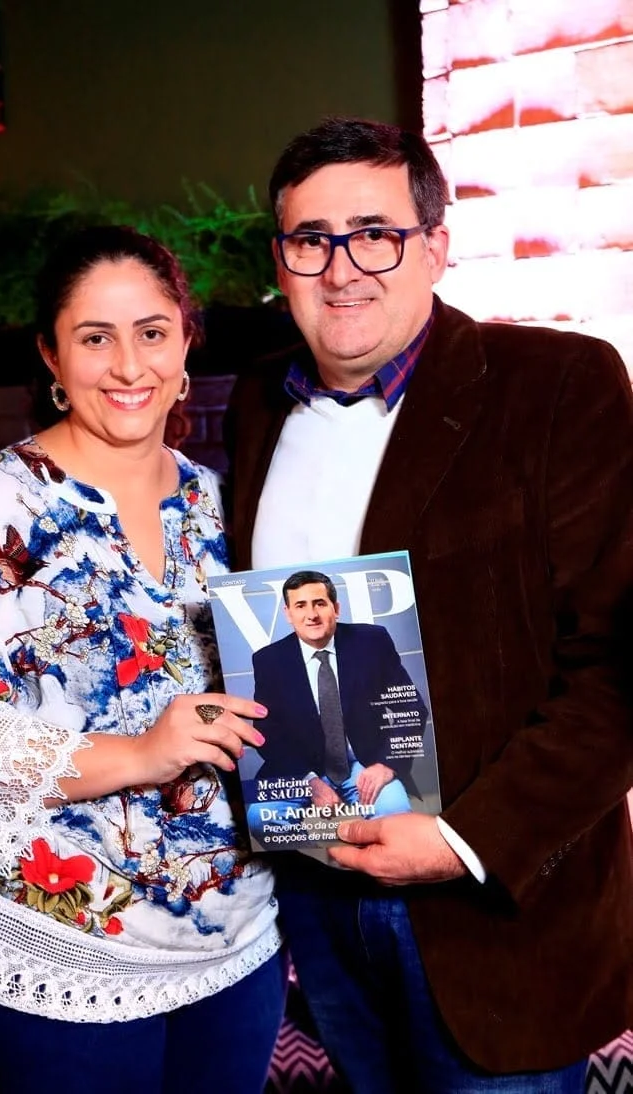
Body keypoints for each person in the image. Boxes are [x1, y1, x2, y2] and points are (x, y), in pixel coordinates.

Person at [224, 116, 633, 1093]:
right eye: (310, 239)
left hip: (495, 916)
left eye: (375, 233)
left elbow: (620, 665)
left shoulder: (558, 385)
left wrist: (462, 840)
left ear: (435, 245)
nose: (342, 268)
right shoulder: (256, 401)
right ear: (281, 261)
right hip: (318, 899)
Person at [0, 225, 284, 1094]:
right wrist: (141, 753)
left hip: (236, 940)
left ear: (186, 343)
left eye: (152, 332)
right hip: (56, 949)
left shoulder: (223, 504)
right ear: (52, 355)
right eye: (95, 338)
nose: (128, 366)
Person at [252, 569, 425, 810]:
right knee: (259, 817)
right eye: (300, 606)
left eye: (320, 603)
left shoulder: (371, 641)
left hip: (364, 764)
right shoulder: (268, 660)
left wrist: (386, 764)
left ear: (336, 608)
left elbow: (412, 708)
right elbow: (268, 732)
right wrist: (309, 781)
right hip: (301, 771)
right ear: (288, 614)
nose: (312, 615)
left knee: (395, 811)